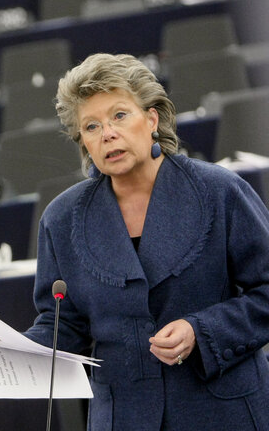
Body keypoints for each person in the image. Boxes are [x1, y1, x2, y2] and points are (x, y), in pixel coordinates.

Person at [23, 53, 269, 430]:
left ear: (152, 119)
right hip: (123, 418)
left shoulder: (220, 191)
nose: (107, 134)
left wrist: (201, 331)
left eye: (119, 116)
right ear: (84, 142)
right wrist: (14, 349)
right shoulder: (60, 219)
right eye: (91, 126)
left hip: (223, 412)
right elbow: (63, 324)